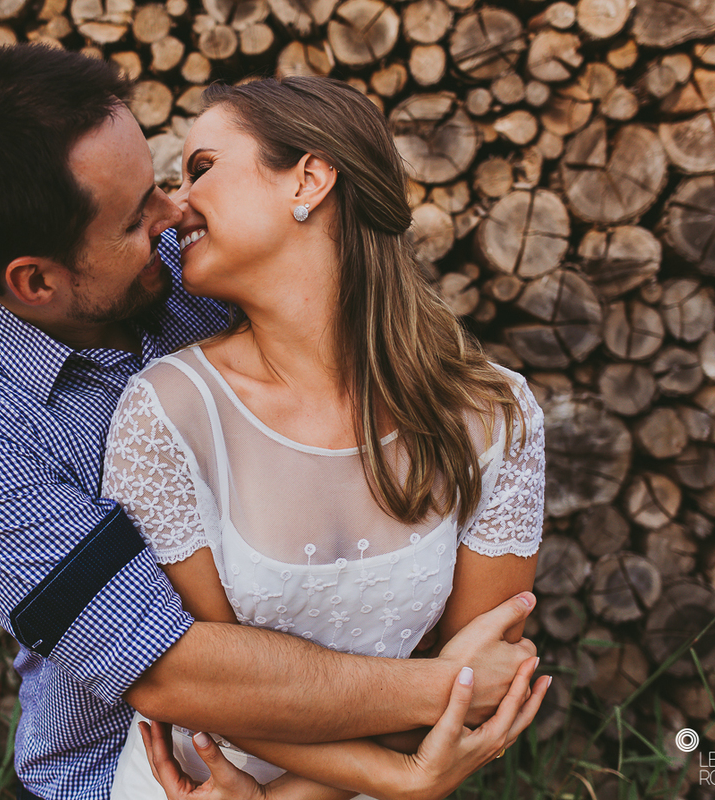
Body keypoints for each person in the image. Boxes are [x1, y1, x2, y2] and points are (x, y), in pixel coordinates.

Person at [0, 45, 542, 800]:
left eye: (169, 182)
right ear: (37, 281)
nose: (175, 215)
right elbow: (172, 670)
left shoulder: (205, 266)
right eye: (138, 217)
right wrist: (450, 700)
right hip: (137, 775)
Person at [101, 76, 548, 800]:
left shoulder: (493, 413)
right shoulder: (168, 414)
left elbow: (489, 676)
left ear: (308, 178)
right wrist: (402, 774)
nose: (178, 205)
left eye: (203, 168)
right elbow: (208, 692)